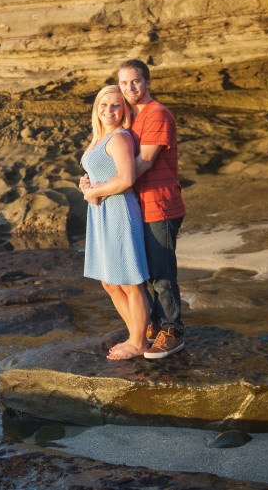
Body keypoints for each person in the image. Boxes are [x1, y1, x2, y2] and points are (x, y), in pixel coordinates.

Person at [118, 59, 187, 359]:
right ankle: (154, 325)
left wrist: (107, 184)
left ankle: (173, 330)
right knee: (143, 273)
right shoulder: (130, 119)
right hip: (138, 206)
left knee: (162, 274)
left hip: (160, 205)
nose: (130, 88)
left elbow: (144, 161)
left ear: (147, 82)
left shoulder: (156, 113)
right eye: (123, 83)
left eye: (135, 81)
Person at [79, 85, 151, 361]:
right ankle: (138, 333)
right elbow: (101, 173)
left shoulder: (120, 138)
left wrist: (93, 192)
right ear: (96, 109)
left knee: (130, 282)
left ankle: (138, 343)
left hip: (119, 210)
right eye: (103, 105)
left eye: (115, 106)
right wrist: (87, 183)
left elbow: (126, 179)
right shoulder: (100, 138)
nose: (109, 111)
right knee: (110, 283)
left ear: (124, 111)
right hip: (101, 213)